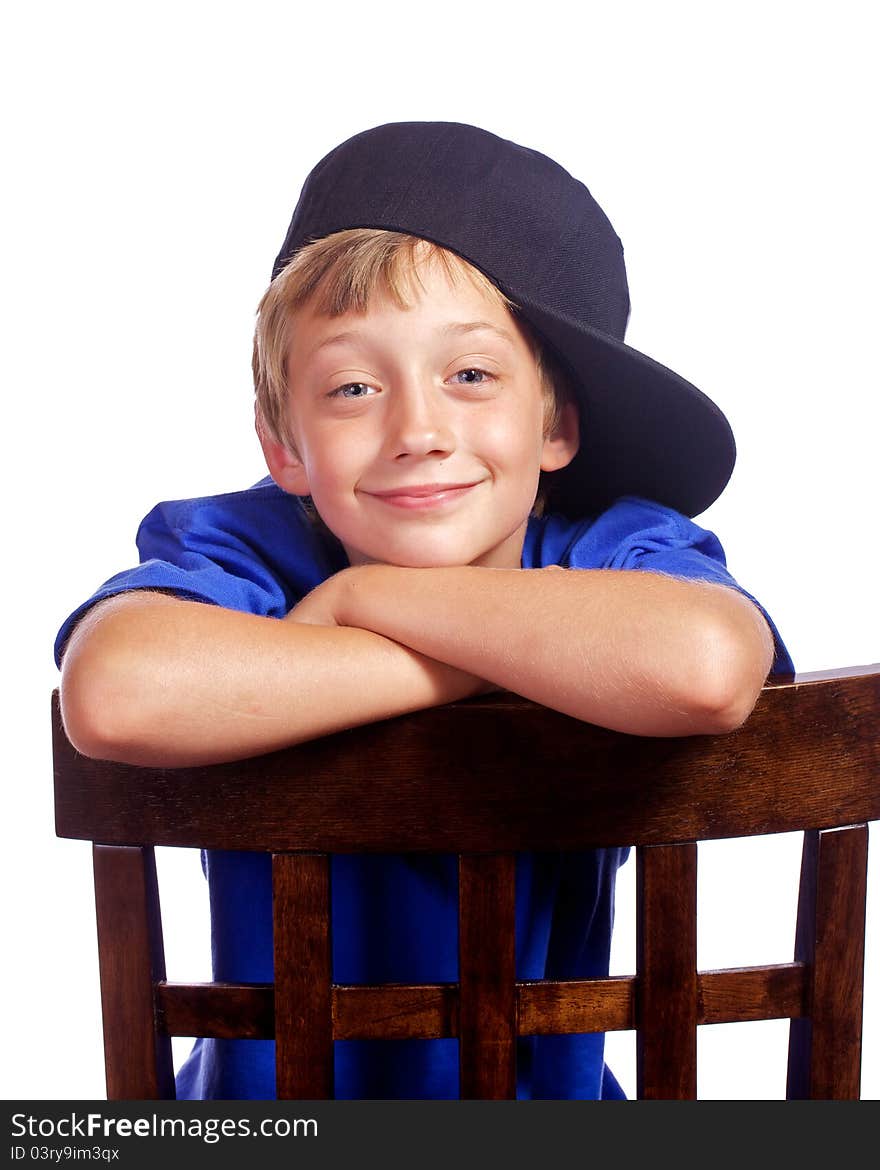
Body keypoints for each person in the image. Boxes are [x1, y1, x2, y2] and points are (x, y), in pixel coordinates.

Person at [54, 120, 794, 1099]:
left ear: (556, 422)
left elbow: (704, 667)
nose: (416, 431)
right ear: (285, 444)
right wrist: (512, 653)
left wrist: (370, 597)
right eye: (353, 386)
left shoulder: (609, 547)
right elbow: (114, 694)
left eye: (471, 375)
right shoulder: (240, 548)